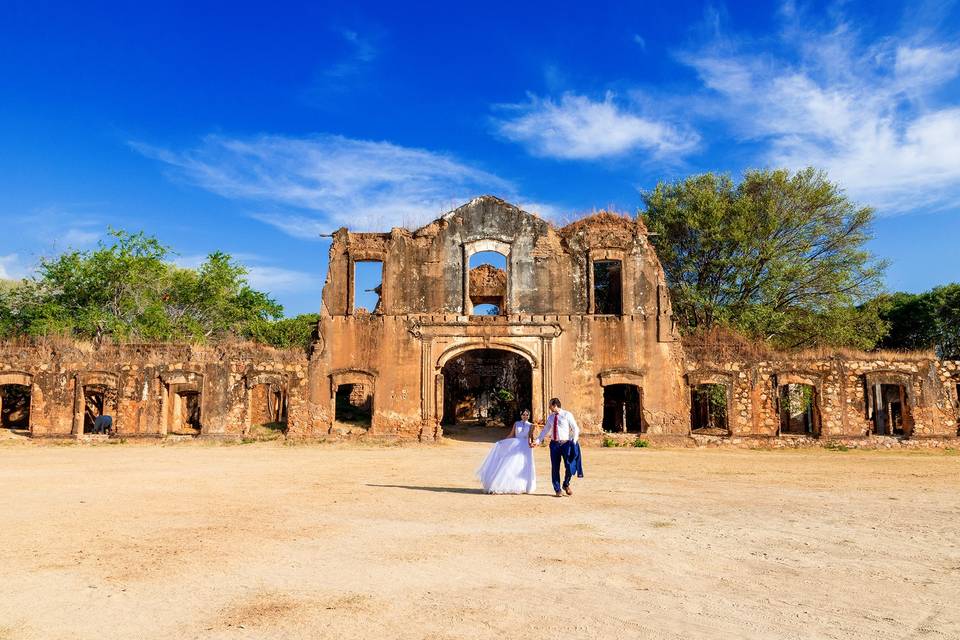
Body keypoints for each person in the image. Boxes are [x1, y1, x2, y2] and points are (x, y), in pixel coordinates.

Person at [475, 409, 537, 494]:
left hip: (525, 448)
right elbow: (512, 434)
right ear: (521, 415)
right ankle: (501, 485)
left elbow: (530, 437)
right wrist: (502, 442)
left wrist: (531, 444)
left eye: (527, 415)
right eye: (523, 414)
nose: (525, 416)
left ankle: (523, 486)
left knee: (524, 466)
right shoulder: (516, 423)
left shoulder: (531, 425)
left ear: (529, 416)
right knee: (510, 464)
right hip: (515, 445)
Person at [535, 398, 580, 497]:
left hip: (566, 444)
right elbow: (545, 430)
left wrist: (575, 440)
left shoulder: (567, 415)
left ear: (555, 405)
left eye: (550, 405)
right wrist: (538, 441)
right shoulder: (550, 417)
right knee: (555, 467)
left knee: (569, 466)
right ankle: (557, 489)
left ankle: (566, 484)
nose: (549, 407)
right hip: (554, 445)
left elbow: (575, 428)